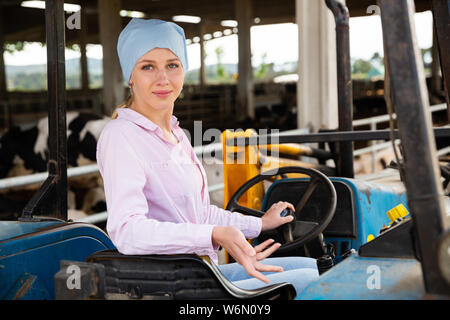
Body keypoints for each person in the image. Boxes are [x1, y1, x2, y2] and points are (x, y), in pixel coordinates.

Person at [96, 18, 319, 297]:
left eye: (172, 65)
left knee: (316, 267)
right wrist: (213, 234)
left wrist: (260, 223)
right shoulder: (121, 136)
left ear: (183, 72)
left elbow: (200, 214)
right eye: (148, 66)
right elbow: (128, 232)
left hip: (201, 271)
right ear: (130, 75)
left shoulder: (177, 134)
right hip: (173, 285)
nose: (163, 78)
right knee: (312, 282)